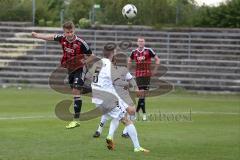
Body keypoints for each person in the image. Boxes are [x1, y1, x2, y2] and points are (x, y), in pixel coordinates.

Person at [32, 21, 94, 129]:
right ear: (64, 32)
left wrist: (84, 62)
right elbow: (49, 37)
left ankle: (76, 120)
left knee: (75, 90)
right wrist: (37, 35)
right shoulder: (62, 38)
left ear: (74, 30)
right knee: (75, 89)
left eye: (71, 32)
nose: (69, 34)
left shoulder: (81, 43)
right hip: (70, 69)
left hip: (80, 68)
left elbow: (91, 56)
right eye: (67, 32)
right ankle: (94, 89)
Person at [91, 43, 149, 152]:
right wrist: (130, 86)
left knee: (119, 116)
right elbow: (117, 81)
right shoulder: (109, 65)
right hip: (107, 98)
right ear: (112, 53)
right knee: (127, 120)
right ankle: (137, 147)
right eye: (116, 52)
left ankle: (109, 136)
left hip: (96, 98)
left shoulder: (98, 63)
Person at [128, 37, 160, 121]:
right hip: (138, 75)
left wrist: (155, 69)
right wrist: (128, 70)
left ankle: (137, 113)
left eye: (142, 41)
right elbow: (129, 61)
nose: (141, 42)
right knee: (141, 95)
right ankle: (143, 114)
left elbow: (157, 59)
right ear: (137, 43)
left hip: (146, 75)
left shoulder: (149, 50)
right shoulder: (133, 52)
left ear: (144, 42)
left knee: (142, 95)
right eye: (139, 41)